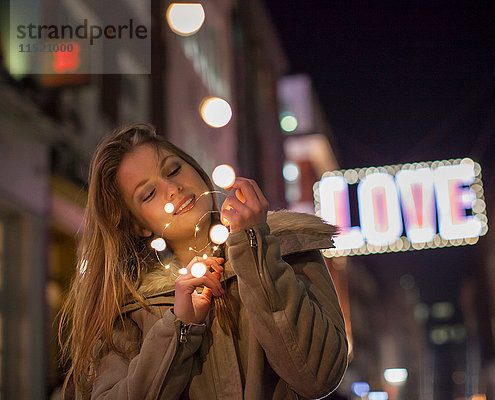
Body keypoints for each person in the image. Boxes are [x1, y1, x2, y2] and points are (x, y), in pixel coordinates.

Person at [59, 123, 348, 399]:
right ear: (139, 225)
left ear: (196, 168)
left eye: (173, 169)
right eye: (148, 194)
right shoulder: (131, 308)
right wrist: (178, 329)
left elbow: (319, 377)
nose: (172, 188)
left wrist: (255, 247)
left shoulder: (286, 246)